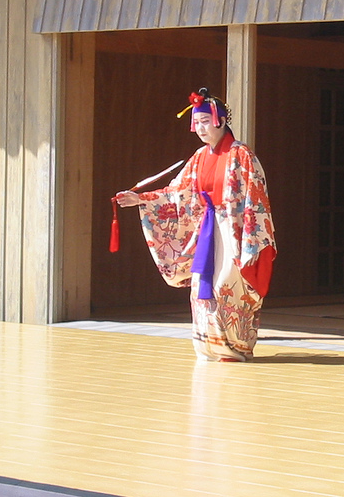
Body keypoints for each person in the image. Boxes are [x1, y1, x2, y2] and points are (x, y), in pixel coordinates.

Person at [116, 88, 276, 362]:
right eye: (197, 123)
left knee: (228, 283)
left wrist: (247, 234)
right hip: (207, 228)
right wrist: (141, 198)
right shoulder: (199, 157)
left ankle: (235, 346)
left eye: (205, 121)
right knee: (202, 285)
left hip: (232, 230)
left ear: (221, 121)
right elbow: (178, 191)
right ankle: (209, 346)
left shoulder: (242, 155)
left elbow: (255, 195)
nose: (200, 128)